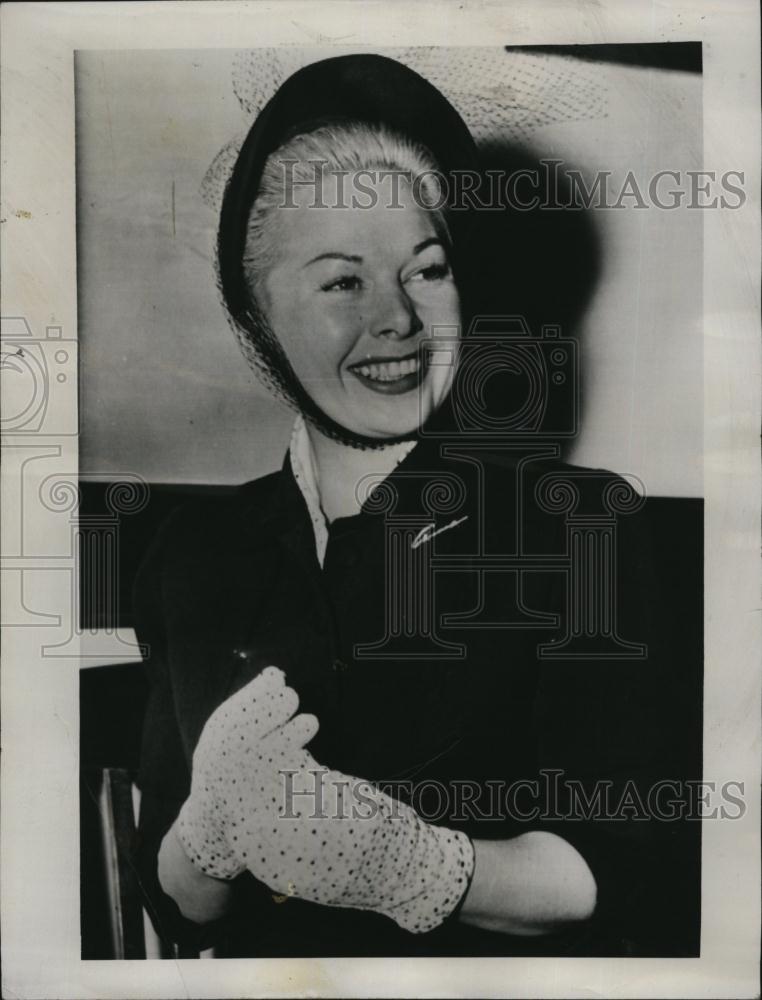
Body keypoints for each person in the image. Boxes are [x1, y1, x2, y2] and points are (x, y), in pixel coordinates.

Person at [133, 53, 699, 958]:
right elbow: (173, 907)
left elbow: (631, 868)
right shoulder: (196, 549)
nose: (397, 318)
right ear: (257, 310)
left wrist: (413, 865)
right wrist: (208, 833)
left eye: (427, 270)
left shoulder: (579, 527)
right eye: (343, 281)